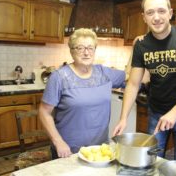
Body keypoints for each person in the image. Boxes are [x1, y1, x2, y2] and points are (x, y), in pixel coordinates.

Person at [113, 0, 176, 163]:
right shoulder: (142, 45)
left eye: (161, 11)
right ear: (144, 17)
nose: (156, 17)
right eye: (150, 13)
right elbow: (134, 84)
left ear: (170, 13)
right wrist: (123, 118)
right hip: (156, 113)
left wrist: (175, 111)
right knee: (151, 161)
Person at [39, 28, 126, 159]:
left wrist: (138, 48)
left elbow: (134, 78)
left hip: (99, 151)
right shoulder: (59, 77)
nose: (86, 53)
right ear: (71, 51)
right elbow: (44, 112)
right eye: (80, 48)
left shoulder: (105, 73)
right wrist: (59, 142)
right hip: (68, 151)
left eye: (90, 48)